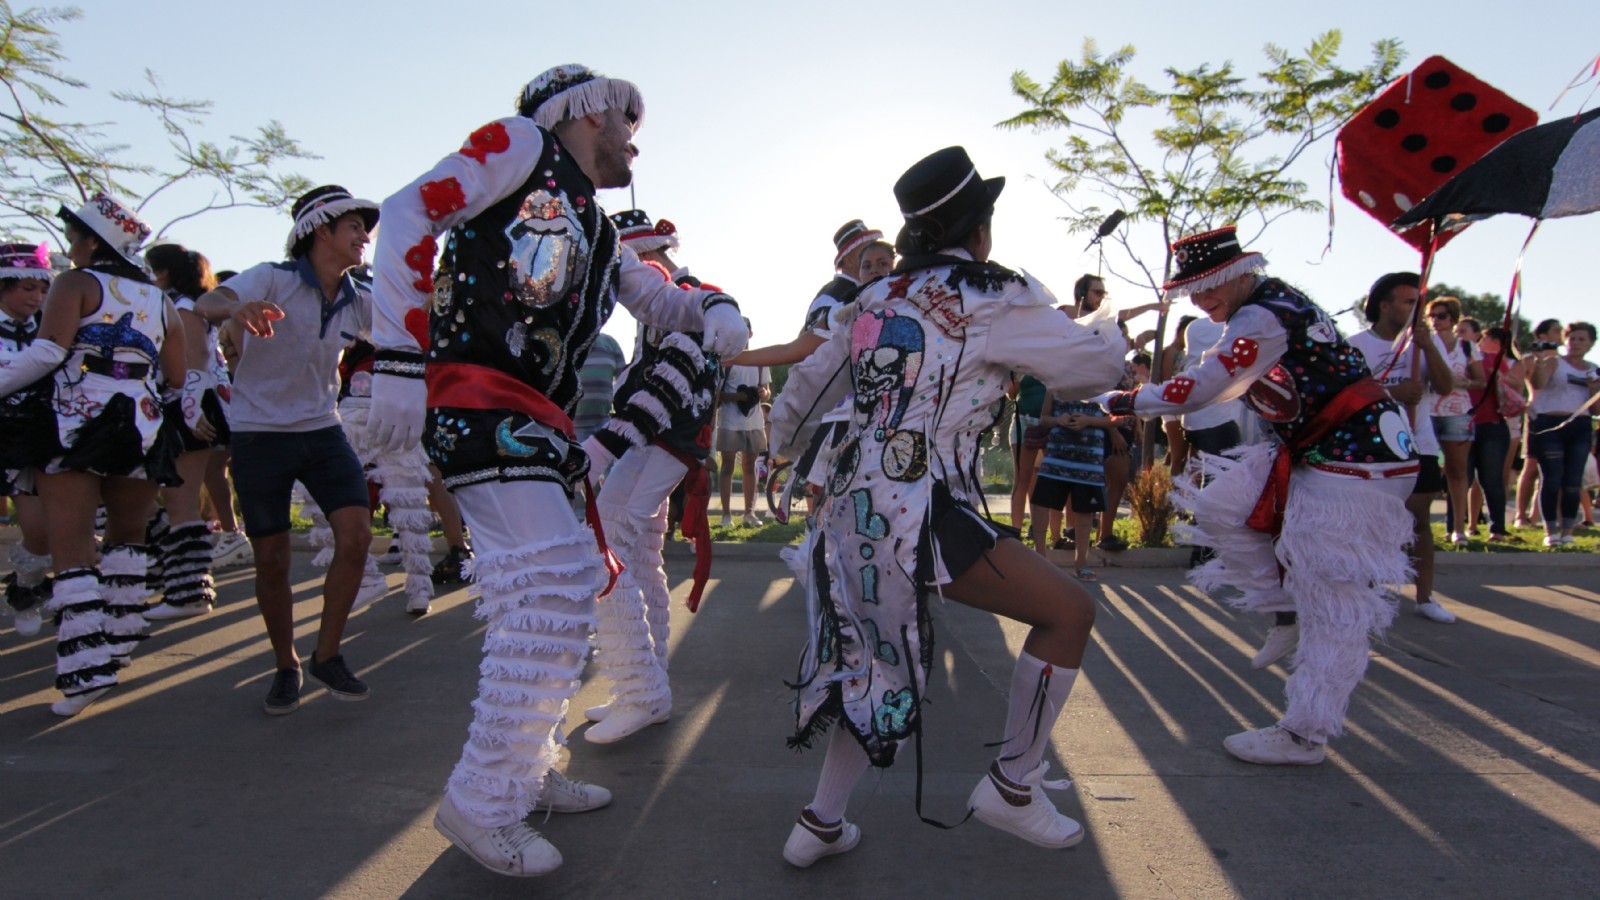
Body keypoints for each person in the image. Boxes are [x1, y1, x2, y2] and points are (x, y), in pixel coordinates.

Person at [364, 65, 748, 877]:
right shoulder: (520, 145)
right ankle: (482, 800)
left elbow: (657, 296)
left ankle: (524, 772)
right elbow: (406, 214)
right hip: (478, 404)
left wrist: (710, 304)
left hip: (537, 427)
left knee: (560, 589)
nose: (635, 136)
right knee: (550, 588)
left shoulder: (600, 231)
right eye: (627, 118)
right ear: (585, 111)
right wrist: (398, 356)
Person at [769, 146, 1125, 866]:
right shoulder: (989, 295)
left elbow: (799, 399)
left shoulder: (870, 300)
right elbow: (1096, 369)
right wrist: (1102, 316)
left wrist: (788, 455)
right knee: (1069, 612)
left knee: (868, 661)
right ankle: (1013, 788)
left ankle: (820, 825)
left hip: (849, 511)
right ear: (980, 227)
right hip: (923, 511)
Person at [1105, 227, 1420, 766]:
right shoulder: (1272, 304)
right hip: (1321, 451)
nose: (1202, 301)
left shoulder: (1262, 315)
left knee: (1335, 603)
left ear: (1241, 273)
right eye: (1193, 291)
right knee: (1222, 508)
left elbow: (1208, 385)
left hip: (1358, 462)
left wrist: (1124, 399)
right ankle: (1284, 612)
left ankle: (1304, 734)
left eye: (1210, 286)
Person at [195, 184, 381, 715]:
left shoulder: (357, 298)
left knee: (357, 536)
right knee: (272, 559)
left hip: (324, 431)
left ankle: (327, 655)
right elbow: (211, 302)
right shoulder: (271, 278)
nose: (364, 238)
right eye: (354, 227)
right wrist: (236, 307)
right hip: (258, 436)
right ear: (321, 230)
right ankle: (286, 664)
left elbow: (408, 329)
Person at [0, 195, 185, 716]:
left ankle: (85, 670)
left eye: (75, 237)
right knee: (128, 537)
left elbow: (48, 350)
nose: (70, 247)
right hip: (143, 422)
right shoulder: (159, 299)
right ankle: (120, 643)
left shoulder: (74, 283)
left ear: (91, 241)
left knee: (73, 548)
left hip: (73, 419)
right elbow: (175, 376)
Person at [584, 208, 725, 743]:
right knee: (640, 554)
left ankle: (641, 691)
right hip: (668, 444)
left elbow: (663, 393)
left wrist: (602, 446)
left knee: (603, 543)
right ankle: (644, 686)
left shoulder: (679, 300)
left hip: (660, 441)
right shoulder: (686, 298)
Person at [1343, 273, 1458, 628]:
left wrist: (1428, 346)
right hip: (1372, 448)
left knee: (1418, 522)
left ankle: (1425, 597)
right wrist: (1392, 395)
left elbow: (1445, 386)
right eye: (1409, 302)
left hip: (1418, 445)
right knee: (1372, 524)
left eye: (1418, 304)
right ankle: (1368, 591)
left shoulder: (1421, 345)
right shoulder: (1355, 345)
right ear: (1384, 304)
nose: (1415, 310)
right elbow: (1344, 397)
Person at [141, 243, 226, 621]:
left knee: (180, 501)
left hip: (186, 407)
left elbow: (196, 360)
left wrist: (190, 409)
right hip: (174, 405)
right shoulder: (176, 302)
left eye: (149, 268)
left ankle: (189, 591)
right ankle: (166, 573)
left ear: (163, 272)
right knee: (150, 498)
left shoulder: (184, 306)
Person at [0, 242, 58, 637]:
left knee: (40, 530)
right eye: (26, 289)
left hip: (37, 438)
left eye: (41, 290)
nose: (37, 298)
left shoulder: (51, 331)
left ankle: (25, 587)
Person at [1527, 321, 1599, 546]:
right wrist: (1539, 362)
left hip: (1580, 425)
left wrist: (1594, 387)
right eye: (1572, 338)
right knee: (1552, 477)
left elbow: (1596, 409)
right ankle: (1551, 531)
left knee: (1573, 480)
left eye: (1581, 340)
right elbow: (1538, 383)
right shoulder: (1553, 362)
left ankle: (1568, 530)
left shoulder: (1593, 368)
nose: (1575, 343)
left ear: (1590, 344)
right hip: (1551, 423)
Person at [1425, 297, 1486, 545]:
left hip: (1458, 410)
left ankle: (1458, 528)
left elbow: (1482, 381)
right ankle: (1418, 528)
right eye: (1432, 316)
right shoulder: (1422, 343)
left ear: (1452, 318)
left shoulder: (1468, 348)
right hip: (1425, 410)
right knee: (1422, 470)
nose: (1435, 321)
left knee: (1458, 471)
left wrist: (1464, 383)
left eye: (1441, 315)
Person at [1030, 391, 1109, 581]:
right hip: (1056, 458)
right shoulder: (1055, 383)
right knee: (1041, 504)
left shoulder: (1102, 383)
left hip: (1089, 460)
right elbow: (1044, 418)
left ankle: (1081, 562)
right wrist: (1058, 420)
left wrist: (1088, 420)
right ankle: (1040, 559)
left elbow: (1116, 420)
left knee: (1084, 512)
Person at [1467, 325, 1524, 541]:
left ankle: (1497, 526)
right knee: (1469, 479)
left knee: (1494, 477)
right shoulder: (1466, 358)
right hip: (1469, 422)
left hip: (1501, 422)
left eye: (1486, 337)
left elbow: (1517, 387)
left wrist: (1497, 375)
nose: (1481, 340)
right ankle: (1469, 524)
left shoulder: (1508, 362)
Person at [1514, 318, 1565, 527]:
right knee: (1532, 465)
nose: (1560, 333)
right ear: (1542, 335)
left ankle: (1539, 515)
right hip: (1537, 415)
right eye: (1555, 330)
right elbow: (1516, 384)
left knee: (1554, 469)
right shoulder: (1528, 359)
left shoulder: (1565, 361)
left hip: (1561, 417)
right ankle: (1521, 515)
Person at [717, 336, 769, 526]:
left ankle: (749, 513)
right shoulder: (726, 360)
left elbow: (767, 389)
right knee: (728, 465)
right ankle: (726, 515)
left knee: (750, 465)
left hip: (754, 421)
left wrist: (764, 393)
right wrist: (737, 396)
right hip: (730, 421)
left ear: (750, 334)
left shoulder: (760, 359)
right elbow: (717, 394)